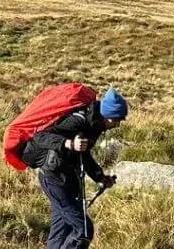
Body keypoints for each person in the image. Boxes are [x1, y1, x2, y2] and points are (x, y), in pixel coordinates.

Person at [21, 88, 128, 249]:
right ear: (107, 114)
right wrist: (68, 143)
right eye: (116, 119)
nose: (117, 124)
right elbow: (40, 137)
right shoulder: (78, 120)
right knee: (84, 230)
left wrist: (100, 177)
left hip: (68, 180)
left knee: (61, 231)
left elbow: (83, 154)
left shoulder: (96, 125)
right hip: (54, 180)